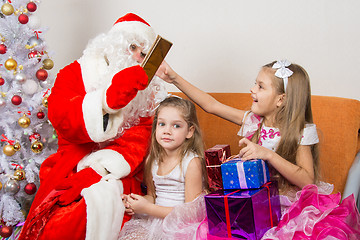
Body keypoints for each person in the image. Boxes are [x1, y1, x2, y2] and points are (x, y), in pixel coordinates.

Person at [157, 60, 360, 239]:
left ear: (280, 99)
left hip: (288, 209)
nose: (252, 89)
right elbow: (211, 105)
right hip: (253, 205)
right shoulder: (253, 122)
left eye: (260, 86)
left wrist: (268, 154)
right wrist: (173, 78)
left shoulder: (300, 131)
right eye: (255, 83)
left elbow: (307, 180)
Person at [18, 13, 167, 240]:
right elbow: (60, 116)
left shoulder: (147, 92)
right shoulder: (75, 72)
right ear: (114, 44)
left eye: (143, 53)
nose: (136, 55)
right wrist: (105, 102)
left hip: (117, 168)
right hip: (70, 161)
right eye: (133, 46)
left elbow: (141, 138)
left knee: (88, 209)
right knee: (54, 221)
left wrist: (98, 170)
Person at [118, 96, 209, 240]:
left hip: (181, 226)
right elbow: (152, 196)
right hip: (154, 220)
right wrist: (135, 202)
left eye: (176, 126)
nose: (167, 131)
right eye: (162, 124)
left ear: (190, 131)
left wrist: (148, 209)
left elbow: (190, 214)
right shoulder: (152, 160)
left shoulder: (192, 162)